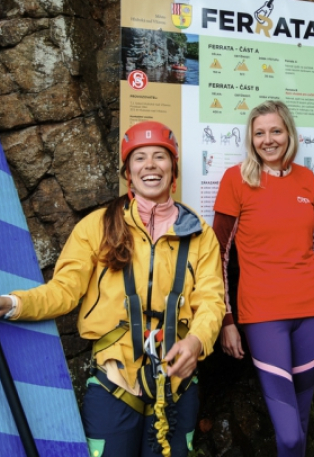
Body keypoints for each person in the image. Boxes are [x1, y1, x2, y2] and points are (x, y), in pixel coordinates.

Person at [0, 121, 225, 457]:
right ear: (128, 172)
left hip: (176, 382)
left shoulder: (199, 233)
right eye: (140, 158)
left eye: (160, 157)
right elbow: (64, 291)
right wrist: (11, 304)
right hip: (114, 382)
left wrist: (196, 342)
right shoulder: (97, 227)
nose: (150, 165)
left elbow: (211, 300)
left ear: (173, 169)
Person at [212, 100, 314, 457]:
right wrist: (226, 319)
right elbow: (218, 256)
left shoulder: (306, 179)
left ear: (289, 133)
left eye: (275, 131)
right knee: (288, 436)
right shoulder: (235, 179)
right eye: (259, 133)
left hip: (312, 311)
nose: (268, 140)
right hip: (262, 316)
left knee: (300, 424)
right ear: (251, 139)